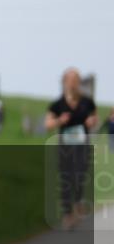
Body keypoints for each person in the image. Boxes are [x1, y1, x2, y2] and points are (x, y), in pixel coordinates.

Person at [45, 68, 97, 230]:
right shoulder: (57, 104)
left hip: (82, 144)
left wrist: (91, 121)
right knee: (66, 177)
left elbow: (95, 118)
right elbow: (48, 124)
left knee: (79, 174)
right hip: (65, 145)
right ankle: (68, 214)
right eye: (69, 80)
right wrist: (60, 120)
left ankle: (79, 201)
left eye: (75, 80)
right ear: (64, 82)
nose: (73, 83)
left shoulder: (87, 102)